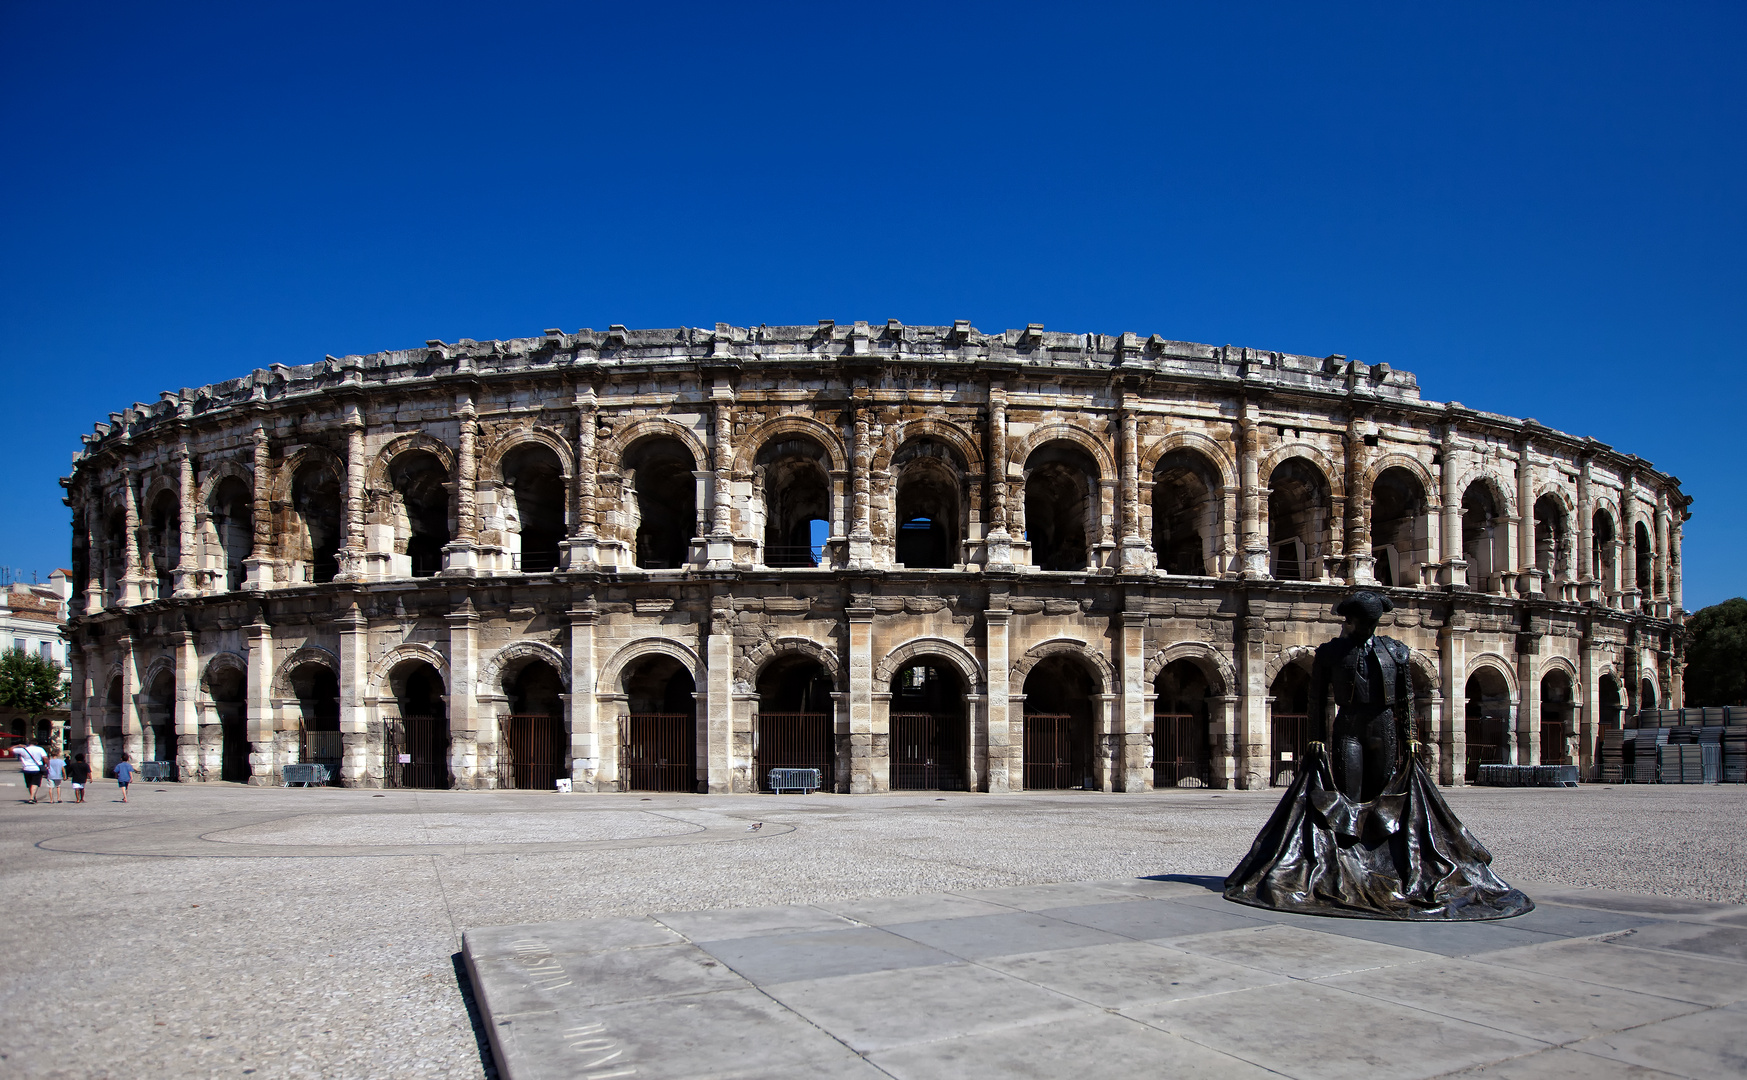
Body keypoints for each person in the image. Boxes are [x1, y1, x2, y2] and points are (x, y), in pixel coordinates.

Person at [1308, 589, 1414, 802]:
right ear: (1351, 621)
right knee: (1349, 789)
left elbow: (1406, 696)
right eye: (1362, 621)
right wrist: (1316, 736)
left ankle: (1378, 835)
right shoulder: (1332, 651)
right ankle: (1350, 835)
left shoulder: (1395, 651)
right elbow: (1316, 697)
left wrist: (1410, 735)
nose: (1367, 626)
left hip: (1382, 722)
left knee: (1381, 791)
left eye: (1371, 621)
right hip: (1349, 723)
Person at [12, 736, 48, 803]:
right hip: (37, 768)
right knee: (35, 783)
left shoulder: (24, 749)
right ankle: (32, 797)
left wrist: (18, 745)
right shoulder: (40, 749)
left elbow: (10, 749)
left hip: (27, 768)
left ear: (29, 743)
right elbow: (45, 758)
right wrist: (47, 765)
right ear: (36, 743)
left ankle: (32, 797)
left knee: (29, 784)